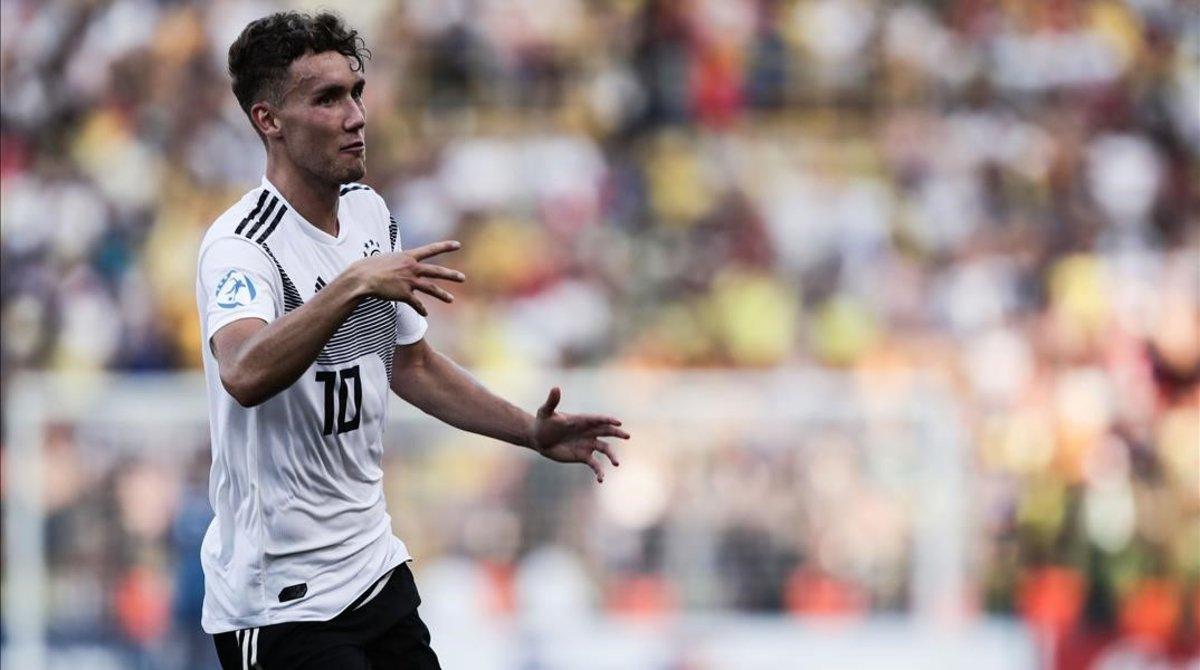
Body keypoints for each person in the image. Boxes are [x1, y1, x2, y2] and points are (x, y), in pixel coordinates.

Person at [195, 12, 629, 669]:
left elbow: (412, 364)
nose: (355, 115)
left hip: (373, 571)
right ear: (268, 121)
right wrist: (351, 285)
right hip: (281, 602)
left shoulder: (369, 214)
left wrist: (529, 432)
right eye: (327, 98)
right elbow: (244, 372)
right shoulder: (241, 246)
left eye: (356, 93)